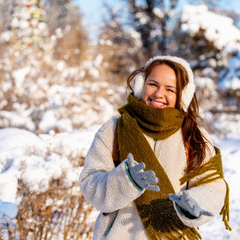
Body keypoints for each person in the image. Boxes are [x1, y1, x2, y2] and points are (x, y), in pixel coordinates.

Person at [79, 55, 231, 240]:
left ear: (182, 95)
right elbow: (90, 183)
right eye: (153, 84)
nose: (159, 94)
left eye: (170, 89)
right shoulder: (113, 130)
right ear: (140, 84)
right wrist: (125, 181)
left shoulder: (194, 137)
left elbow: (213, 185)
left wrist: (197, 201)